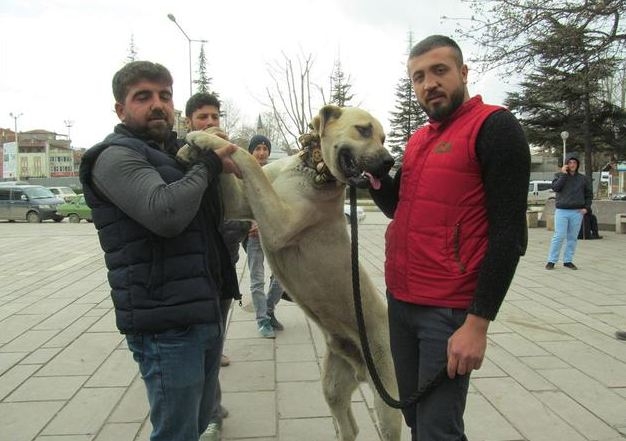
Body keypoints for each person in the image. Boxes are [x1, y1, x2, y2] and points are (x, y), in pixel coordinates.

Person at [370, 35, 530, 441]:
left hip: (448, 311)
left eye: (439, 71)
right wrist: (371, 174)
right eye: (418, 77)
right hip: (401, 302)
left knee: (438, 430)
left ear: (462, 72)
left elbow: (510, 234)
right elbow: (397, 206)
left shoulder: (495, 126)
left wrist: (478, 324)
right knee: (415, 419)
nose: (429, 84)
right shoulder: (421, 139)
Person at [79, 61, 240, 441]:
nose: (158, 104)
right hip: (166, 324)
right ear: (120, 109)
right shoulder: (114, 156)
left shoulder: (173, 155)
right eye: (143, 97)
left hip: (202, 310)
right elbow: (165, 212)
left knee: (199, 425)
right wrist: (208, 166)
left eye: (165, 96)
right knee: (175, 433)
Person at [183, 92, 250, 441]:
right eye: (202, 118)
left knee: (214, 340)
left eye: (214, 117)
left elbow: (240, 203)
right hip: (194, 269)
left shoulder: (229, 155)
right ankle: (209, 413)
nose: (210, 124)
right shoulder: (186, 156)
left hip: (223, 266)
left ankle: (211, 404)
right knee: (203, 345)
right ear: (189, 122)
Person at [245, 134, 284, 338]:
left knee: (281, 277)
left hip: (274, 233)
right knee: (257, 279)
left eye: (264, 148)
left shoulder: (275, 173)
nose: (261, 152)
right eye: (257, 148)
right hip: (253, 237)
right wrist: (250, 222)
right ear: (251, 151)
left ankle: (268, 310)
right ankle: (262, 320)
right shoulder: (243, 173)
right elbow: (239, 203)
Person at [545, 156, 593, 270]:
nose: (572, 165)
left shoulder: (583, 179)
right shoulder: (559, 176)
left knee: (572, 237)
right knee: (559, 235)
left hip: (577, 212)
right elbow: (556, 188)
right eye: (570, 163)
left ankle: (568, 260)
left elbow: (588, 194)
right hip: (562, 211)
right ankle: (551, 260)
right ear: (566, 164)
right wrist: (563, 174)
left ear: (577, 165)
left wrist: (586, 208)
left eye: (574, 163)